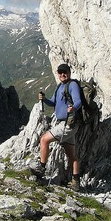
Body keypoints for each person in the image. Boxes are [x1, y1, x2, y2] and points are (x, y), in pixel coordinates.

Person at [29, 63, 82, 191]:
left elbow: (78, 101)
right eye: (60, 72)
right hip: (66, 124)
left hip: (68, 124)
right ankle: (76, 182)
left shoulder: (72, 85)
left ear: (69, 73)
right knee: (72, 155)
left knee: (44, 139)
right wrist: (44, 99)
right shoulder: (60, 86)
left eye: (65, 72)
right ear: (58, 73)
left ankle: (41, 167)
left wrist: (73, 107)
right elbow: (53, 102)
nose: (62, 74)